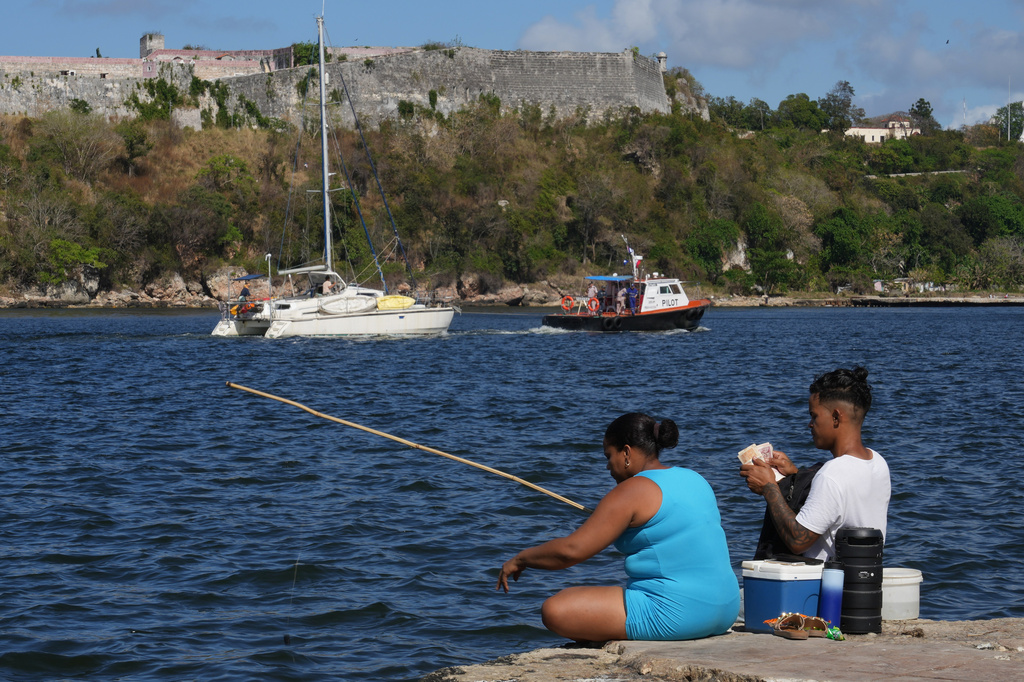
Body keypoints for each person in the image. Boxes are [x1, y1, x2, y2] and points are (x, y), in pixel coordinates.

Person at [497, 413, 740, 642]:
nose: (607, 466)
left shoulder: (630, 491)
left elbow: (571, 551)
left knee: (555, 610)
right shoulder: (695, 478)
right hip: (726, 608)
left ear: (626, 452)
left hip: (678, 616)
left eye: (608, 456)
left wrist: (521, 559)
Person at [741, 367, 890, 561]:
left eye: (814, 416)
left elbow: (798, 540)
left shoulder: (832, 474)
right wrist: (794, 477)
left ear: (836, 417)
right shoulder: (877, 462)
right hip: (861, 579)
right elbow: (841, 504)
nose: (809, 424)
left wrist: (770, 488)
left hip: (826, 588)